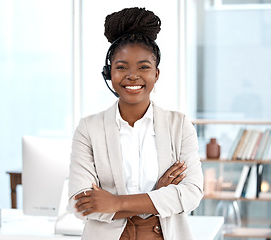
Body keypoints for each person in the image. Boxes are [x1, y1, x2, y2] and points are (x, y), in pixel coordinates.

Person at [68, 7, 203, 240]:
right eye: (121, 67)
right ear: (109, 72)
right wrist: (159, 197)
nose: (132, 75)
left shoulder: (179, 126)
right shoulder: (88, 129)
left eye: (143, 67)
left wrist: (114, 202)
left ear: (156, 74)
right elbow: (81, 203)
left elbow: (191, 195)